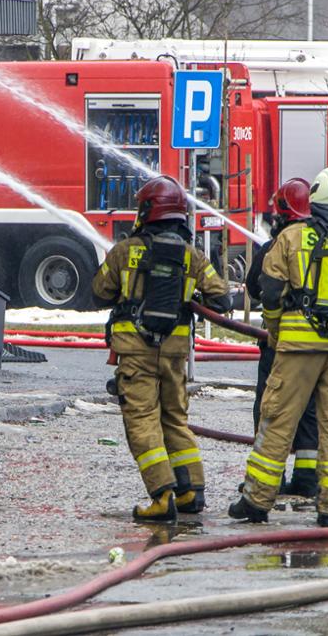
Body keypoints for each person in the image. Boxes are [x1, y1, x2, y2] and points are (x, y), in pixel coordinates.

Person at [229, 165, 328, 528]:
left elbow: (270, 291)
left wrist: (277, 332)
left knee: (278, 421)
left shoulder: (291, 238)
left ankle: (256, 501)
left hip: (297, 349)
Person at [92, 176, 233, 522]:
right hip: (173, 354)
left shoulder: (126, 250)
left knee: (142, 420)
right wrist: (190, 298)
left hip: (135, 352)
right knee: (174, 418)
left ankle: (161, 496)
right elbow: (223, 298)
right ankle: (190, 491)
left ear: (148, 211)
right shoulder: (193, 256)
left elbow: (99, 291)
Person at [245, 178, 322, 499]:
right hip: (322, 344)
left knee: (270, 411)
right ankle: (306, 480)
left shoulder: (274, 246)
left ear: (281, 213)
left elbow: (256, 288)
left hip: (282, 345)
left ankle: (268, 482)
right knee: (309, 411)